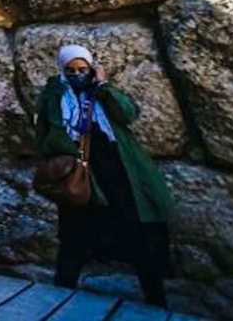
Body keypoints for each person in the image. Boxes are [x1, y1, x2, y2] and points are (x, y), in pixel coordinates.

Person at [35, 44, 176, 307]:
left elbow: (129, 113)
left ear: (90, 68)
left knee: (139, 236)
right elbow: (44, 136)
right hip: (81, 178)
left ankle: (157, 302)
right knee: (74, 238)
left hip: (118, 175)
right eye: (71, 70)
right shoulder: (53, 95)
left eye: (82, 69)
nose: (77, 74)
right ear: (63, 70)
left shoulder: (102, 92)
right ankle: (59, 297)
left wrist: (104, 86)